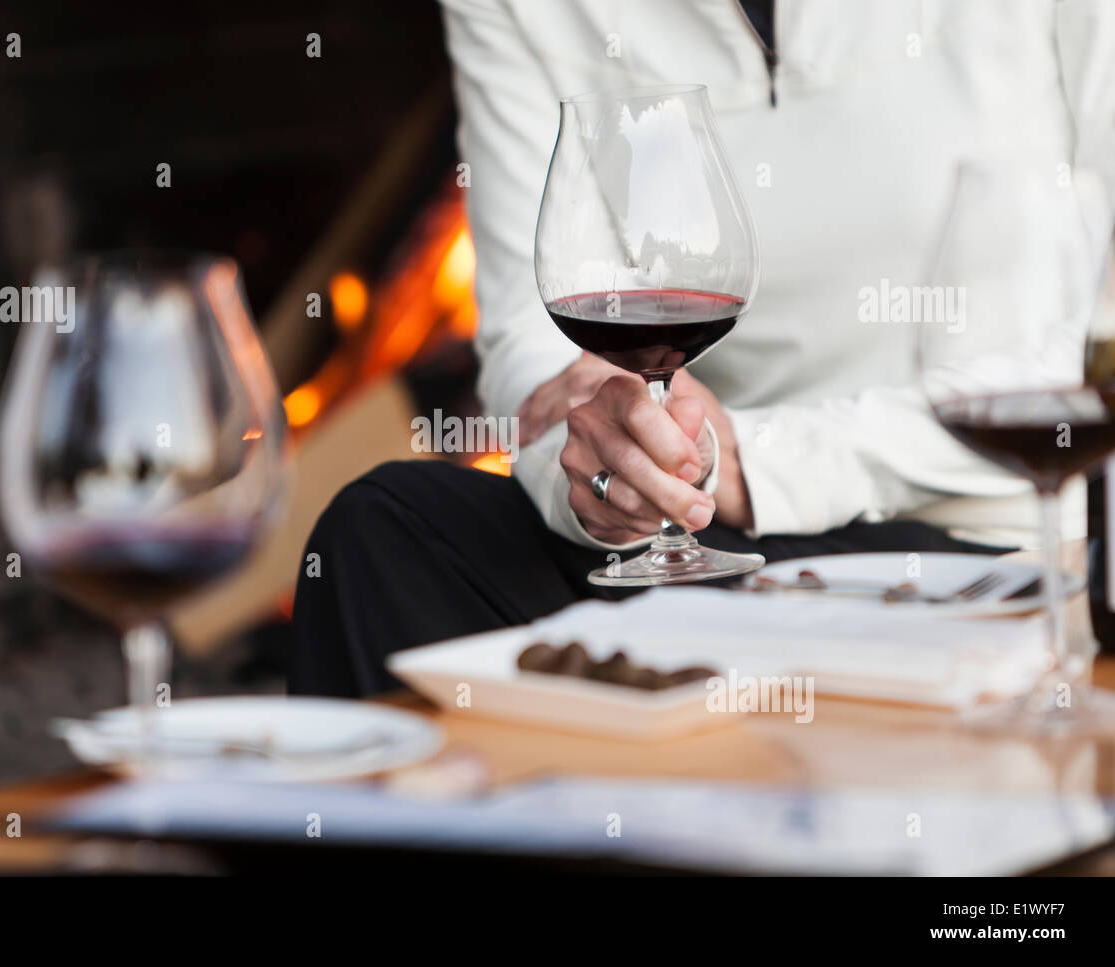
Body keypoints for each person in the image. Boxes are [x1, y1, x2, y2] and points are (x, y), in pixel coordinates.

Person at [288, 0, 1115, 697]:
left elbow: (1099, 359)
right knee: (385, 529)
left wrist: (753, 463)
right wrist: (603, 471)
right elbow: (529, 349)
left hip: (1001, 536)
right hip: (708, 541)